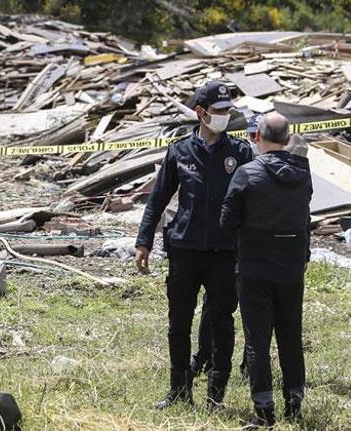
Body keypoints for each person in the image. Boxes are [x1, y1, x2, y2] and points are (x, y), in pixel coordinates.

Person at [135, 81, 253, 410]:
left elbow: (255, 202)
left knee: (221, 324)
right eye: (217, 112)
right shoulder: (180, 151)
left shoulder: (240, 153)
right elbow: (157, 200)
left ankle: (215, 396)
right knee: (178, 324)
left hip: (224, 253)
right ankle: (178, 390)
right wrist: (143, 241)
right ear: (200, 113)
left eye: (227, 111)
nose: (224, 117)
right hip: (184, 251)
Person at [220, 112, 312, 428]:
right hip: (291, 267)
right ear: (288, 140)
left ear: (256, 136)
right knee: (290, 336)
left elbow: (226, 221)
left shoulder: (247, 173)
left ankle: (264, 412)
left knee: (257, 340)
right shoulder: (304, 173)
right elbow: (305, 219)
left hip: (255, 266)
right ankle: (294, 406)